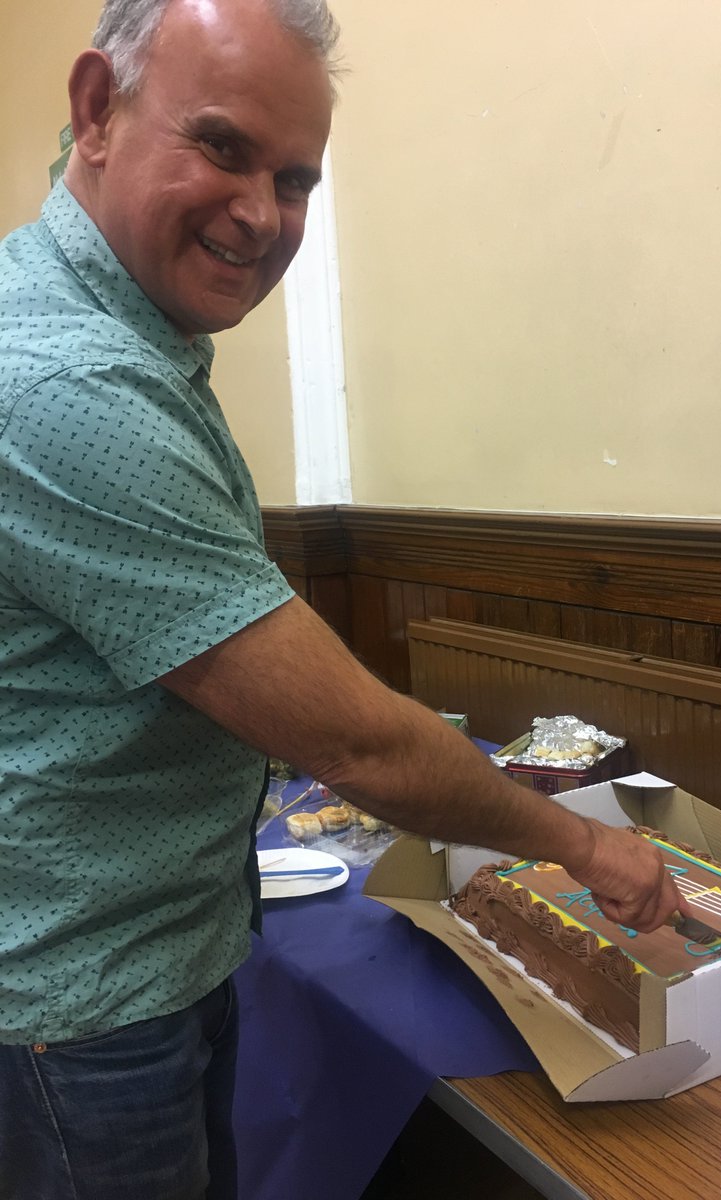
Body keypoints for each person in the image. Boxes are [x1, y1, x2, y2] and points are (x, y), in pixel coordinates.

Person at [0, 0, 682, 1196]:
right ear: (97, 110)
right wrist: (584, 846)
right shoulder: (71, 382)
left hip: (156, 953)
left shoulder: (116, 330)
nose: (262, 214)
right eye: (220, 146)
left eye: (297, 178)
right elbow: (353, 739)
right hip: (84, 1010)